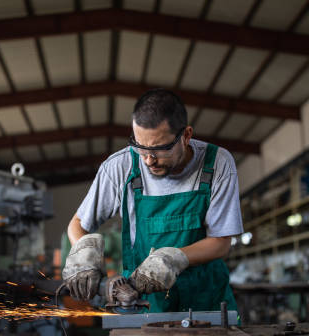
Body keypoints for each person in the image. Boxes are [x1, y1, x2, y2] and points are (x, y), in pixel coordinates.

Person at [62, 88, 243, 312]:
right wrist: (84, 255)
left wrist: (173, 259)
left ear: (186, 136)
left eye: (160, 149)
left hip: (206, 299)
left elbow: (221, 242)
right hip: (142, 302)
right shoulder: (120, 167)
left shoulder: (217, 164)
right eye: (140, 147)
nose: (148, 160)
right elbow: (78, 224)